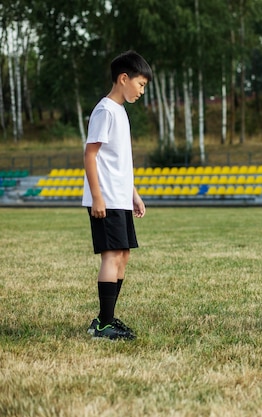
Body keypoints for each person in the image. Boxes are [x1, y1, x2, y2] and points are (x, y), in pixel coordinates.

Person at [82, 50, 153, 340]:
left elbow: (120, 161)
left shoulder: (121, 112)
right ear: (123, 78)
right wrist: (97, 197)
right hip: (106, 198)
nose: (141, 91)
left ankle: (105, 319)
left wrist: (133, 194)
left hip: (120, 197)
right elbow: (90, 155)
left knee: (122, 256)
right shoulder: (105, 110)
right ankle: (103, 325)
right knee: (111, 256)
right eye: (140, 84)